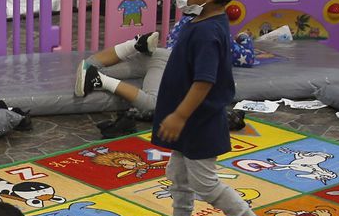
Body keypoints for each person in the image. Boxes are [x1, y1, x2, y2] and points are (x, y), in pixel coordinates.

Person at [135, 0, 280, 216]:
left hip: (199, 123)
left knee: (206, 184)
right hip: (189, 121)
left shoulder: (208, 33)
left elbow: (205, 82)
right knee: (178, 173)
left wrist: (179, 116)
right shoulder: (200, 22)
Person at [73, 17, 256, 137]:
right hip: (165, 62)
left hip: (159, 55)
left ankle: (135, 44)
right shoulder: (213, 33)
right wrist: (244, 38)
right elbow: (245, 59)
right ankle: (100, 80)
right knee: (153, 103)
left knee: (89, 65)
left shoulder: (188, 23)